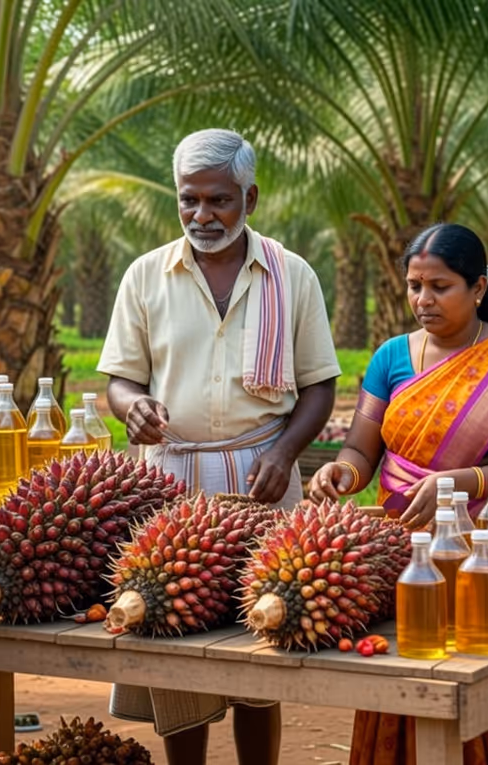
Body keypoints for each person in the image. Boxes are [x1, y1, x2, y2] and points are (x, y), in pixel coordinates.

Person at [98, 128, 341, 765]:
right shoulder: (147, 275)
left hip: (264, 478)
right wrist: (133, 407)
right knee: (174, 642)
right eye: (189, 200)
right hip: (172, 482)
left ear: (249, 198)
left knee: (264, 637)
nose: (202, 215)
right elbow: (120, 380)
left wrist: (285, 453)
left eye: (219, 200)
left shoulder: (292, 275)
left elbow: (320, 385)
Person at [309, 222, 488, 765]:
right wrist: (341, 473)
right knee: (405, 679)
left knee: (486, 685)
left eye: (440, 286)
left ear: (478, 287)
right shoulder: (391, 357)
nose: (423, 300)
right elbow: (361, 450)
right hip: (407, 556)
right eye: (414, 286)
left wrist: (461, 483)